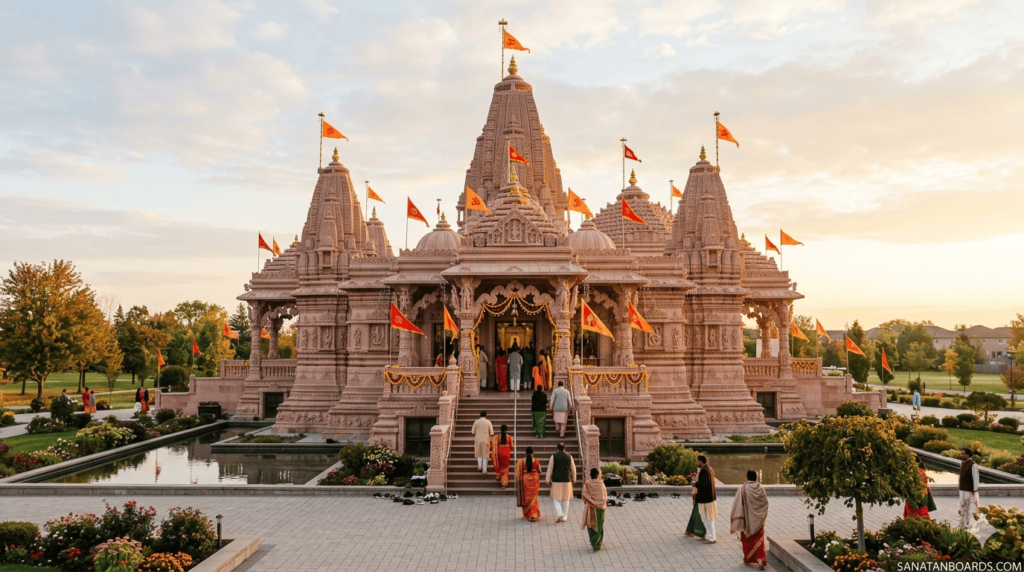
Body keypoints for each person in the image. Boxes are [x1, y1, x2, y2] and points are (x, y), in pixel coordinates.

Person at [730, 470, 769, 570]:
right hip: (758, 521)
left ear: (747, 477)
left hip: (747, 522)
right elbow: (765, 504)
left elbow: (737, 505)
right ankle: (760, 560)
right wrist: (760, 516)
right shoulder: (761, 488)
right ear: (756, 478)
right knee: (759, 540)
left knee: (747, 540)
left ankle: (748, 558)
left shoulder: (743, 488)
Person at [546, 442, 577, 523]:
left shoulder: (553, 456)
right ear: (564, 448)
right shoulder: (569, 456)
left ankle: (559, 513)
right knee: (566, 499)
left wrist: (547, 479)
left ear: (557, 448)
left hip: (556, 480)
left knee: (555, 498)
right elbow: (573, 469)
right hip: (567, 479)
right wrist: (574, 478)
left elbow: (550, 469)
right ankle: (565, 516)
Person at [581, 467, 608, 550]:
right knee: (599, 525)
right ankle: (597, 543)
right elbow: (604, 495)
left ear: (590, 475)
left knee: (590, 525)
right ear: (598, 475)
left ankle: (593, 541)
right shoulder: (601, 484)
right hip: (600, 508)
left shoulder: (587, 484)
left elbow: (584, 493)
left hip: (591, 508)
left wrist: (591, 501)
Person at [694, 455, 718, 544]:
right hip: (709, 497)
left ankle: (712, 537)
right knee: (707, 517)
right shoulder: (710, 468)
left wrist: (695, 483)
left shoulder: (704, 471)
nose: (697, 463)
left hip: (705, 498)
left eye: (698, 461)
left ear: (701, 461)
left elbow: (703, 485)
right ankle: (709, 536)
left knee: (707, 518)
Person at [516, 446, 542, 522]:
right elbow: (539, 471)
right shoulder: (536, 461)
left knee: (526, 496)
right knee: (534, 498)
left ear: (526, 453)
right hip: (534, 480)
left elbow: (518, 473)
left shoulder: (521, 461)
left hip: (525, 480)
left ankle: (528, 514)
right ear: (533, 452)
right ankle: (534, 514)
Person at [959, 448, 980, 529]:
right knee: (962, 506)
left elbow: (976, 478)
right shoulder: (962, 463)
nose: (961, 455)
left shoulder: (973, 465)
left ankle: (967, 524)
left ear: (968, 455)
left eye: (963, 454)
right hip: (962, 489)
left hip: (968, 490)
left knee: (967, 507)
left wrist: (974, 491)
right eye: (961, 453)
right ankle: (962, 522)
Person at [683, 472, 706, 540]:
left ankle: (692, 531)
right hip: (700, 499)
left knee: (697, 515)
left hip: (701, 499)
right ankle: (696, 532)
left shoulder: (704, 473)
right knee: (697, 515)